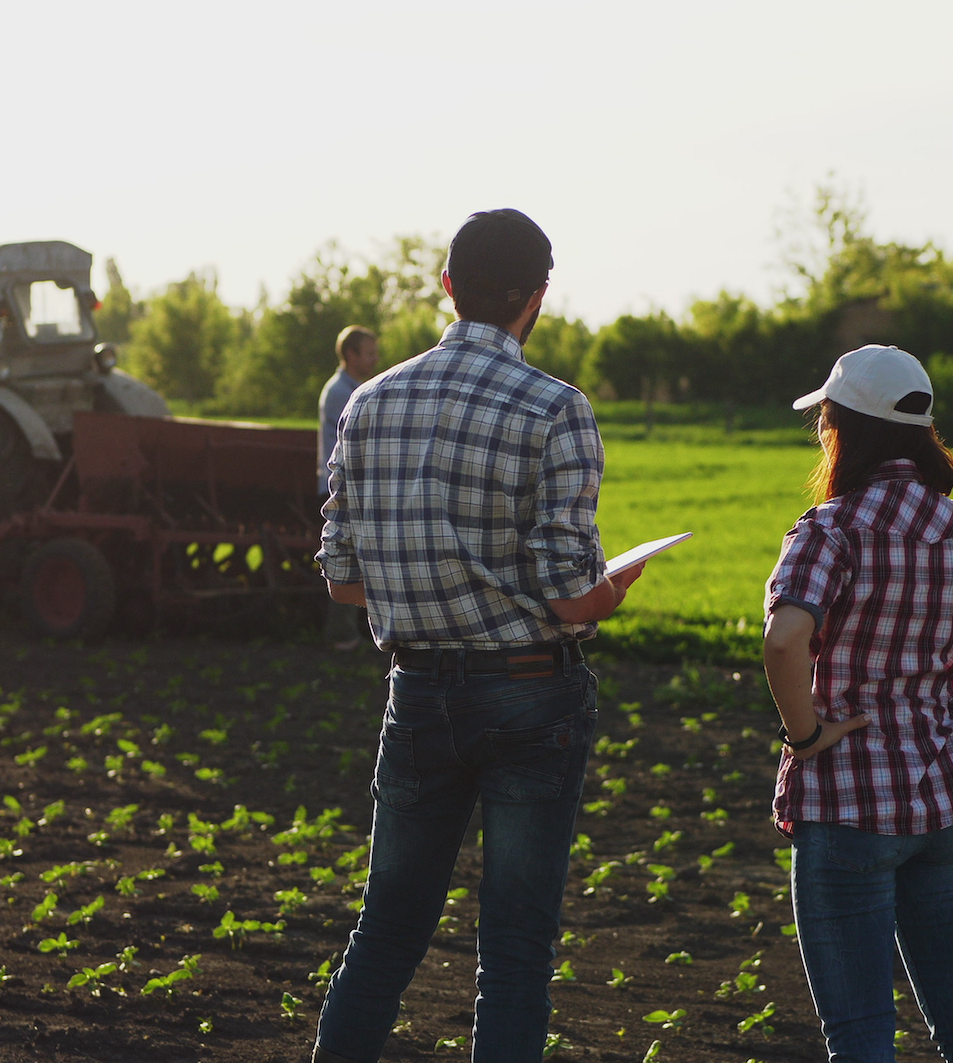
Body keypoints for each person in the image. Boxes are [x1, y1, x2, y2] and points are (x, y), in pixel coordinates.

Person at [312, 209, 645, 1063]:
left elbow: (344, 580)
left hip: (416, 691)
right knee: (515, 950)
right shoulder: (555, 408)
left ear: (447, 287)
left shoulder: (369, 402)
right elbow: (573, 598)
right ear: (536, 297)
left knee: (382, 933)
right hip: (533, 692)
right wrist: (611, 589)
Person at [763, 344, 953, 1061]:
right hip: (943, 805)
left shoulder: (830, 528)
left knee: (861, 1033)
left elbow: (783, 642)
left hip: (846, 808)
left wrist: (805, 736)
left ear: (840, 427)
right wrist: (941, 684)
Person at [319, 325, 381, 650]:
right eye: (369, 353)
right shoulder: (345, 393)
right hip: (343, 489)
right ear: (351, 354)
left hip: (348, 486)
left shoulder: (349, 388)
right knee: (346, 556)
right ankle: (342, 635)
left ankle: (351, 632)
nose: (375, 359)